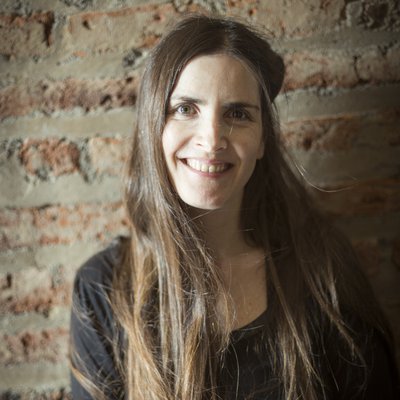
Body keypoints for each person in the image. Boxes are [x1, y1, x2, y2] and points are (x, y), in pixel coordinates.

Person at [69, 14, 399, 400]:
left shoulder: (322, 268)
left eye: (238, 114)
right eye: (185, 109)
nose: (211, 140)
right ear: (152, 128)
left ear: (262, 141)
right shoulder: (103, 291)